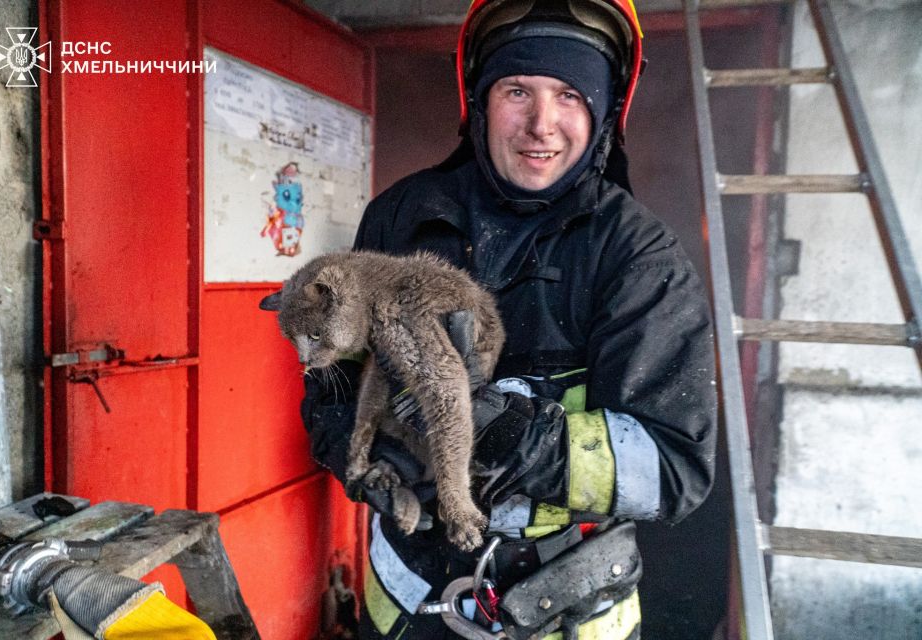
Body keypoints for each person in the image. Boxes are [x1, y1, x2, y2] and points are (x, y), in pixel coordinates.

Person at [301, 0, 717, 637]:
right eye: (517, 90)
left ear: (604, 110)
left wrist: (510, 436)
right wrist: (364, 465)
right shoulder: (398, 220)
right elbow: (331, 388)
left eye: (570, 95)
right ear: (480, 100)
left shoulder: (638, 256)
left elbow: (671, 467)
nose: (541, 125)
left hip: (569, 613)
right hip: (409, 611)